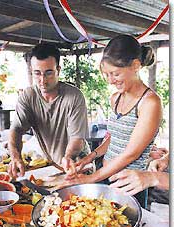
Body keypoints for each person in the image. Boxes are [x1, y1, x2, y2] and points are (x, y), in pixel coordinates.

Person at [64, 34, 162, 207]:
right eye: (106, 74)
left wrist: (91, 178)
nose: (110, 81)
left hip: (129, 184)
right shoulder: (115, 98)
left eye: (115, 74)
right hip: (105, 175)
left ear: (135, 66)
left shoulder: (150, 103)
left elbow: (131, 153)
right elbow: (114, 138)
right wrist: (88, 158)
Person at [8, 43, 90, 179]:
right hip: (53, 165)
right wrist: (15, 156)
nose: (42, 80)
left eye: (48, 73)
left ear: (58, 69)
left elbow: (77, 139)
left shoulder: (74, 96)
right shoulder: (28, 97)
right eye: (37, 73)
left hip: (78, 164)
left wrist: (68, 156)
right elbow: (16, 129)